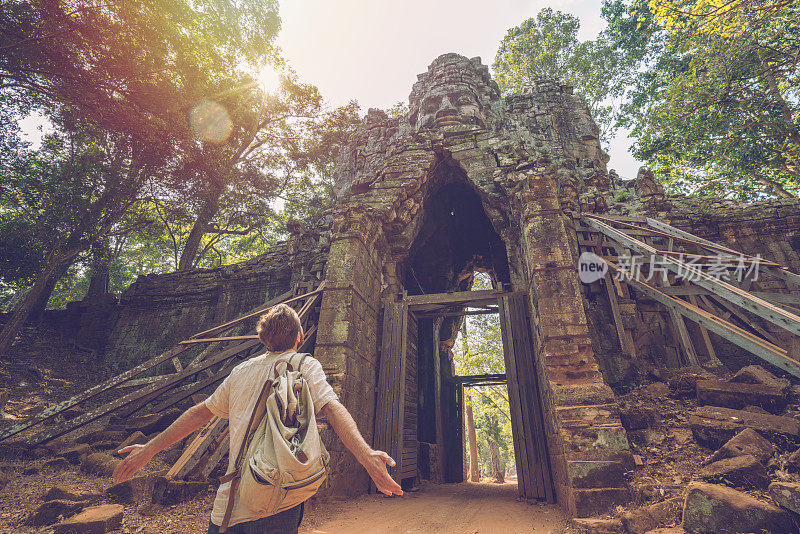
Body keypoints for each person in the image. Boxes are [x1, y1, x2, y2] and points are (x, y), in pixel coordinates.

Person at [113, 303, 403, 533]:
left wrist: (149, 449)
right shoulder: (304, 365)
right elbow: (332, 408)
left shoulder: (240, 372)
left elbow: (198, 414)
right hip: (278, 498)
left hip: (225, 508)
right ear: (299, 337)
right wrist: (367, 456)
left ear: (262, 339)